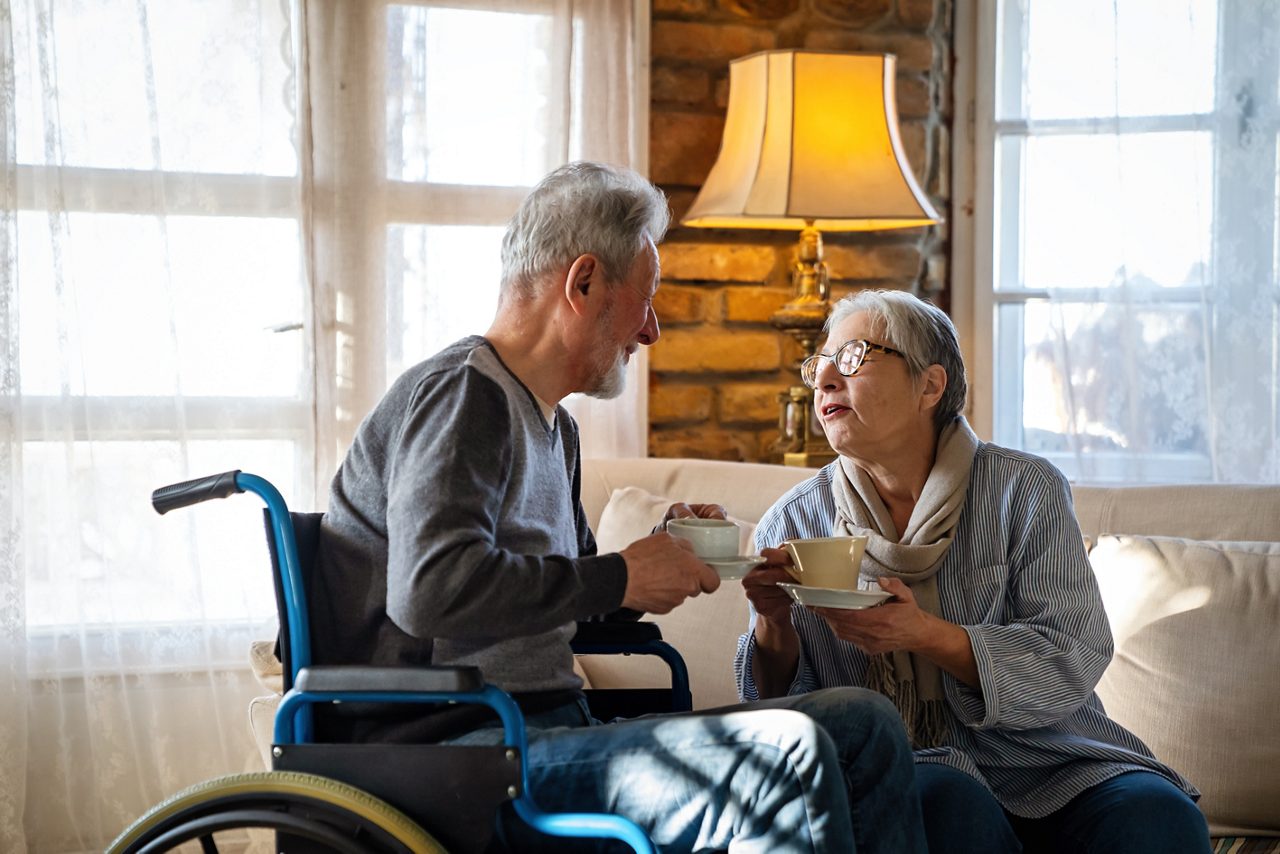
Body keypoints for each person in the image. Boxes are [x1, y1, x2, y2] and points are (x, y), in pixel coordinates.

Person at [309, 161, 928, 852]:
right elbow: (429, 591)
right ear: (583, 284)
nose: (652, 330)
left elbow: (570, 598)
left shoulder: (554, 427)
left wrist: (655, 559)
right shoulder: (464, 398)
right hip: (461, 752)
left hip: (547, 732)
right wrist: (622, 575)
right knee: (787, 753)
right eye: (647, 298)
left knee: (865, 726)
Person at [735, 289, 1211, 853]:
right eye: (820, 365)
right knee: (943, 803)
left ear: (929, 386)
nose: (825, 381)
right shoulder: (791, 521)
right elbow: (784, 719)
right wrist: (774, 622)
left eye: (855, 357)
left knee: (1158, 818)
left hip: (1050, 762)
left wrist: (929, 636)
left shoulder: (1025, 490)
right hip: (910, 765)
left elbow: (1073, 653)